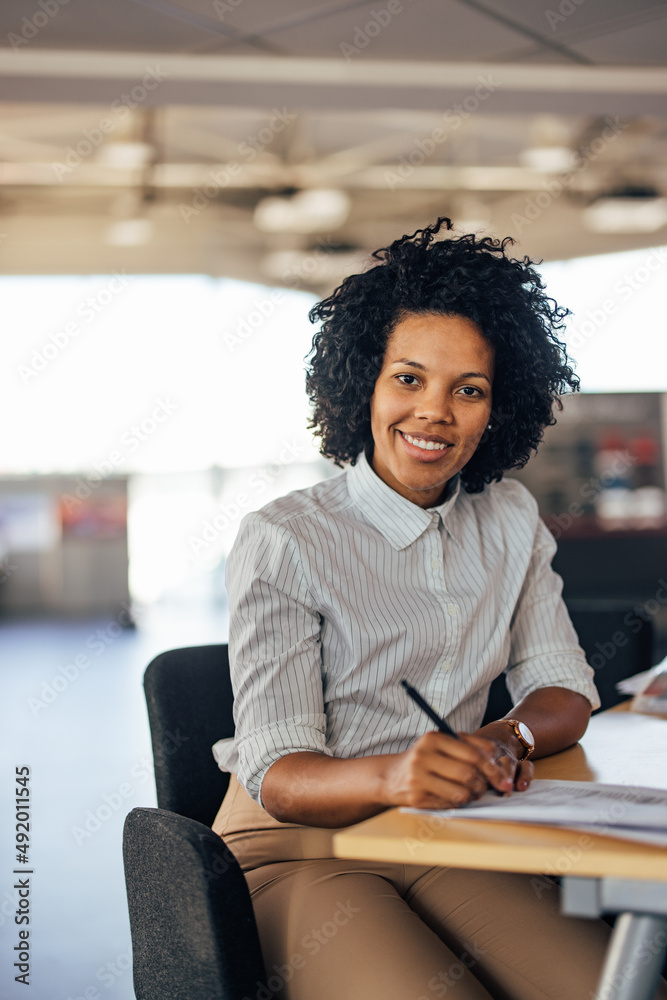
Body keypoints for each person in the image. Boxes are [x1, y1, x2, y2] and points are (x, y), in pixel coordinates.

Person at [211, 218, 626, 1000]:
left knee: (613, 990)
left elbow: (565, 694)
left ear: (496, 408)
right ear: (362, 380)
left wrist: (504, 739)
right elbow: (280, 776)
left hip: (445, 830)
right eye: (408, 378)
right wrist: (401, 772)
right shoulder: (284, 539)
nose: (434, 412)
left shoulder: (507, 519)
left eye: (466, 389)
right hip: (301, 847)